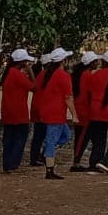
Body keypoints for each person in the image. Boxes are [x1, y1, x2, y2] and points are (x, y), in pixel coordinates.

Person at [34, 48, 76, 179]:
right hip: (56, 113)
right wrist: (75, 114)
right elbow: (68, 97)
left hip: (49, 110)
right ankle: (49, 169)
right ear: (63, 61)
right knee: (53, 140)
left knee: (65, 135)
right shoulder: (63, 76)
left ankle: (47, 155)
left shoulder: (49, 74)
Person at [0, 48, 37, 172]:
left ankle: (7, 163)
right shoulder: (17, 74)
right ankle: (13, 163)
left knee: (8, 138)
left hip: (8, 110)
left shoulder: (9, 73)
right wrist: (30, 70)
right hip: (19, 111)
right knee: (20, 138)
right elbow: (34, 87)